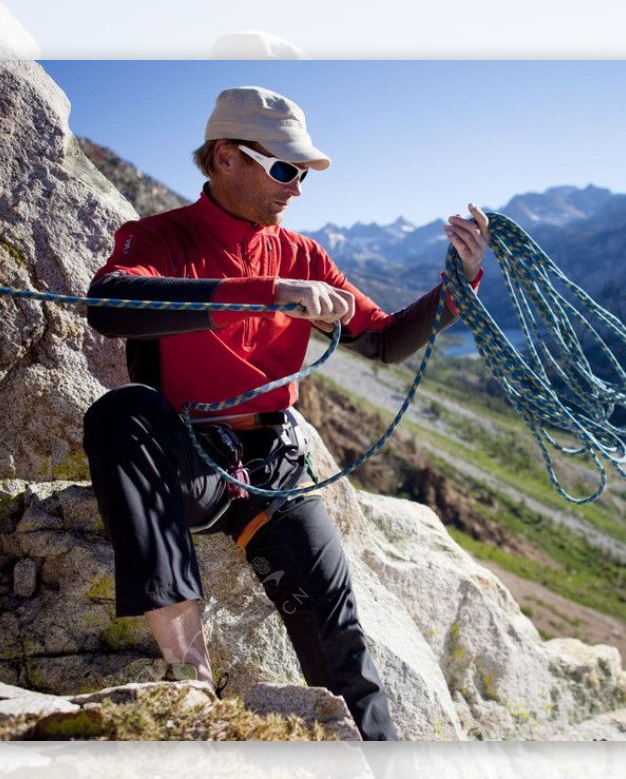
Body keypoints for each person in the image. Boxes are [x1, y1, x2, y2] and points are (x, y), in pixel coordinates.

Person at [81, 86, 488, 741]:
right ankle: (190, 679)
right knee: (120, 414)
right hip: (191, 462)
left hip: (274, 464)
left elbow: (379, 339)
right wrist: (267, 293)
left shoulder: (303, 257)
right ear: (224, 158)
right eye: (283, 169)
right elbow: (110, 304)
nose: (296, 188)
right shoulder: (160, 237)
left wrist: (458, 284)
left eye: (300, 173)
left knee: (341, 642)